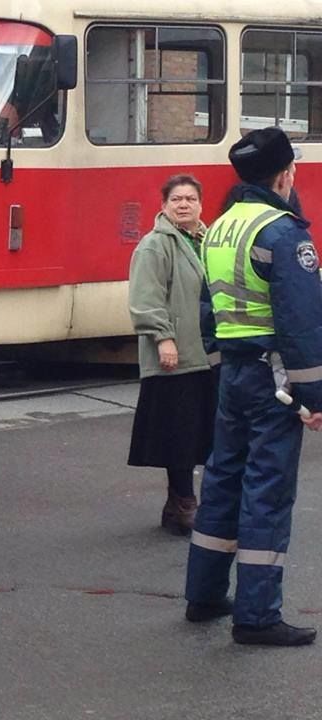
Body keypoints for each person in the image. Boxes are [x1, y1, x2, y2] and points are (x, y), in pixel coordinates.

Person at [184, 126, 322, 646]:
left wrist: (221, 364)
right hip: (274, 376)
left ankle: (204, 594)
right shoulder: (283, 232)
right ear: (285, 173)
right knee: (267, 489)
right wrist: (314, 398)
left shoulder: (219, 228)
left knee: (222, 478)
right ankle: (258, 616)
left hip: (235, 373)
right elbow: (302, 324)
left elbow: (207, 310)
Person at [128, 175, 218, 535]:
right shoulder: (155, 246)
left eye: (191, 199)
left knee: (198, 431)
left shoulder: (208, 242)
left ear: (201, 204)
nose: (184, 205)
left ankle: (175, 504)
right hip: (174, 354)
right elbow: (145, 299)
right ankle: (184, 502)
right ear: (164, 205)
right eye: (177, 199)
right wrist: (163, 338)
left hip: (205, 353)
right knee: (178, 434)